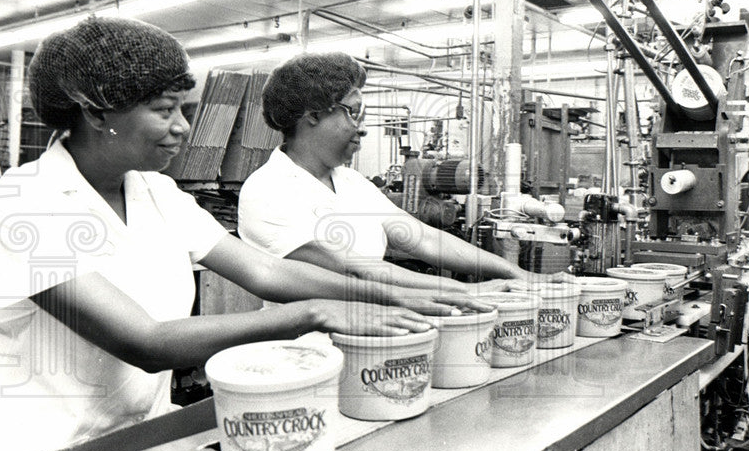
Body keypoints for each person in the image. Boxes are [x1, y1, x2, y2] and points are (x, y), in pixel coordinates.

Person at [0, 17, 483, 451]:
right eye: (163, 110)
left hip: (139, 442)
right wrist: (314, 312)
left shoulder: (154, 190)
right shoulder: (21, 205)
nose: (182, 129)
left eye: (184, 109)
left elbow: (264, 270)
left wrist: (395, 294)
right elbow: (146, 342)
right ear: (96, 113)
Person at [238, 52, 561, 296]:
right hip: (307, 354)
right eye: (353, 112)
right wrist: (469, 291)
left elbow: (423, 238)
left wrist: (513, 272)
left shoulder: (350, 182)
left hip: (382, 335)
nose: (362, 128)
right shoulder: (268, 191)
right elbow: (356, 272)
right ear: (313, 115)